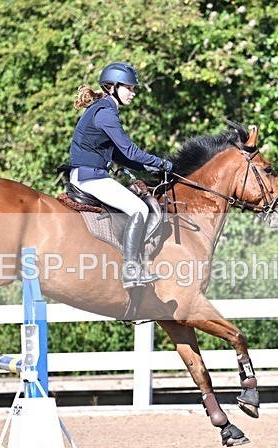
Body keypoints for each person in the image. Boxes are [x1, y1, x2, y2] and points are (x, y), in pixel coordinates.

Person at [68, 62, 173, 289]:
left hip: (89, 174)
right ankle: (131, 270)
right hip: (91, 177)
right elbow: (131, 151)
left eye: (133, 89)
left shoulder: (102, 109)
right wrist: (161, 162)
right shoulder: (106, 114)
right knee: (140, 209)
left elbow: (120, 156)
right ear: (112, 87)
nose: (133, 93)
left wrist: (148, 169)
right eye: (129, 88)